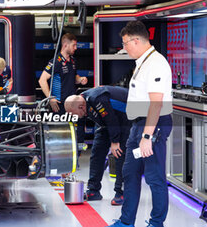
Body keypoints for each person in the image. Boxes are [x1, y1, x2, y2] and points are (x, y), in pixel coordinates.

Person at [108, 21, 172, 227]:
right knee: (129, 173)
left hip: (153, 127)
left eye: (126, 43)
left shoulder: (156, 64)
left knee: (154, 178)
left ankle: (156, 222)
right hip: (138, 126)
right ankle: (126, 222)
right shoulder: (142, 63)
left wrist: (147, 137)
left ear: (136, 41)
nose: (124, 48)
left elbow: (156, 104)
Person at [64, 86, 131, 205]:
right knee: (96, 153)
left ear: (81, 107)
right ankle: (93, 191)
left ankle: (121, 193)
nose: (77, 116)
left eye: (76, 114)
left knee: (119, 154)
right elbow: (80, 133)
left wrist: (115, 142)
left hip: (125, 118)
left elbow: (111, 120)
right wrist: (74, 160)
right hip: (106, 122)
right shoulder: (80, 103)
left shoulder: (97, 99)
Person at [38, 33, 88, 114]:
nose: (76, 48)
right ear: (65, 45)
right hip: (59, 104)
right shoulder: (55, 61)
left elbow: (73, 77)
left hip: (72, 102)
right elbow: (42, 80)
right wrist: (50, 98)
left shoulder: (73, 61)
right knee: (61, 126)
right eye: (73, 45)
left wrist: (80, 79)